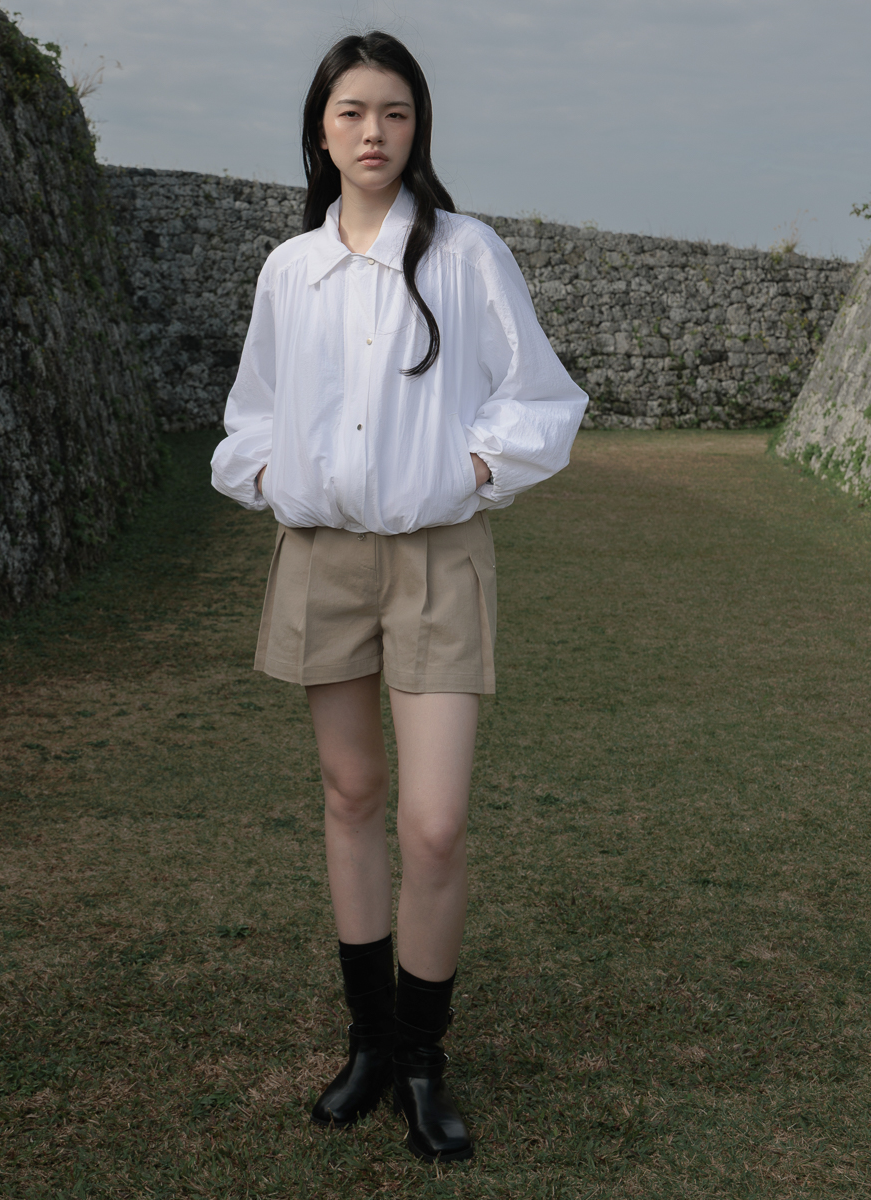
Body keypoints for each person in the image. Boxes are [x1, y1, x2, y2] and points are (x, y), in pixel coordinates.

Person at [211, 30, 588, 1163]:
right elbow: (250, 416)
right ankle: (369, 1044)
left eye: (395, 112)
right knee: (350, 793)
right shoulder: (291, 268)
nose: (373, 132)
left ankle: (424, 1059)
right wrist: (273, 478)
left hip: (435, 557)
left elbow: (539, 398)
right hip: (322, 555)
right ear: (321, 132)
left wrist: (466, 470)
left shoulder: (466, 253)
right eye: (351, 112)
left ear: (418, 128)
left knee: (433, 821)